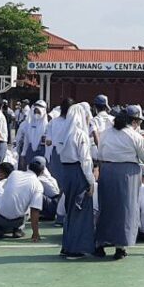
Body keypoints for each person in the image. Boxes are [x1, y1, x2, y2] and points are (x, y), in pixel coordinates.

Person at [95, 104, 144, 258]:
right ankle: (120, 246)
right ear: (135, 121)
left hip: (107, 170)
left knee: (106, 209)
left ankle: (100, 243)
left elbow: (100, 152)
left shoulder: (105, 133)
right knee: (125, 209)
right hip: (127, 173)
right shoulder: (135, 136)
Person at [58, 102, 96, 258]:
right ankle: (76, 248)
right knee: (79, 209)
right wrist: (91, 181)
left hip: (66, 171)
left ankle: (67, 245)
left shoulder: (64, 132)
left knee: (70, 209)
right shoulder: (80, 134)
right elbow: (85, 160)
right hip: (77, 172)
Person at [0, 161, 44, 241]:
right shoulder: (38, 185)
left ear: (28, 167)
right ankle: (18, 229)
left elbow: (5, 190)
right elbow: (34, 211)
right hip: (18, 220)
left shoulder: (14, 174)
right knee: (28, 208)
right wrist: (36, 234)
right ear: (42, 172)